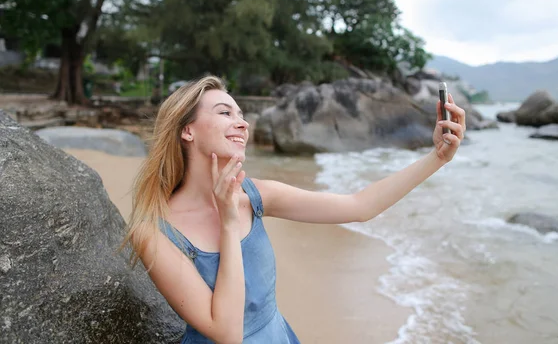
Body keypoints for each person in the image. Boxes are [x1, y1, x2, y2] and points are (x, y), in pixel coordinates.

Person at [119, 75, 466, 344]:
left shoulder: (256, 196)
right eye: (225, 113)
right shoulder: (153, 232)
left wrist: (437, 157)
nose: (243, 123)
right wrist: (227, 223)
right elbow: (226, 333)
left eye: (241, 114)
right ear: (187, 131)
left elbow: (360, 206)